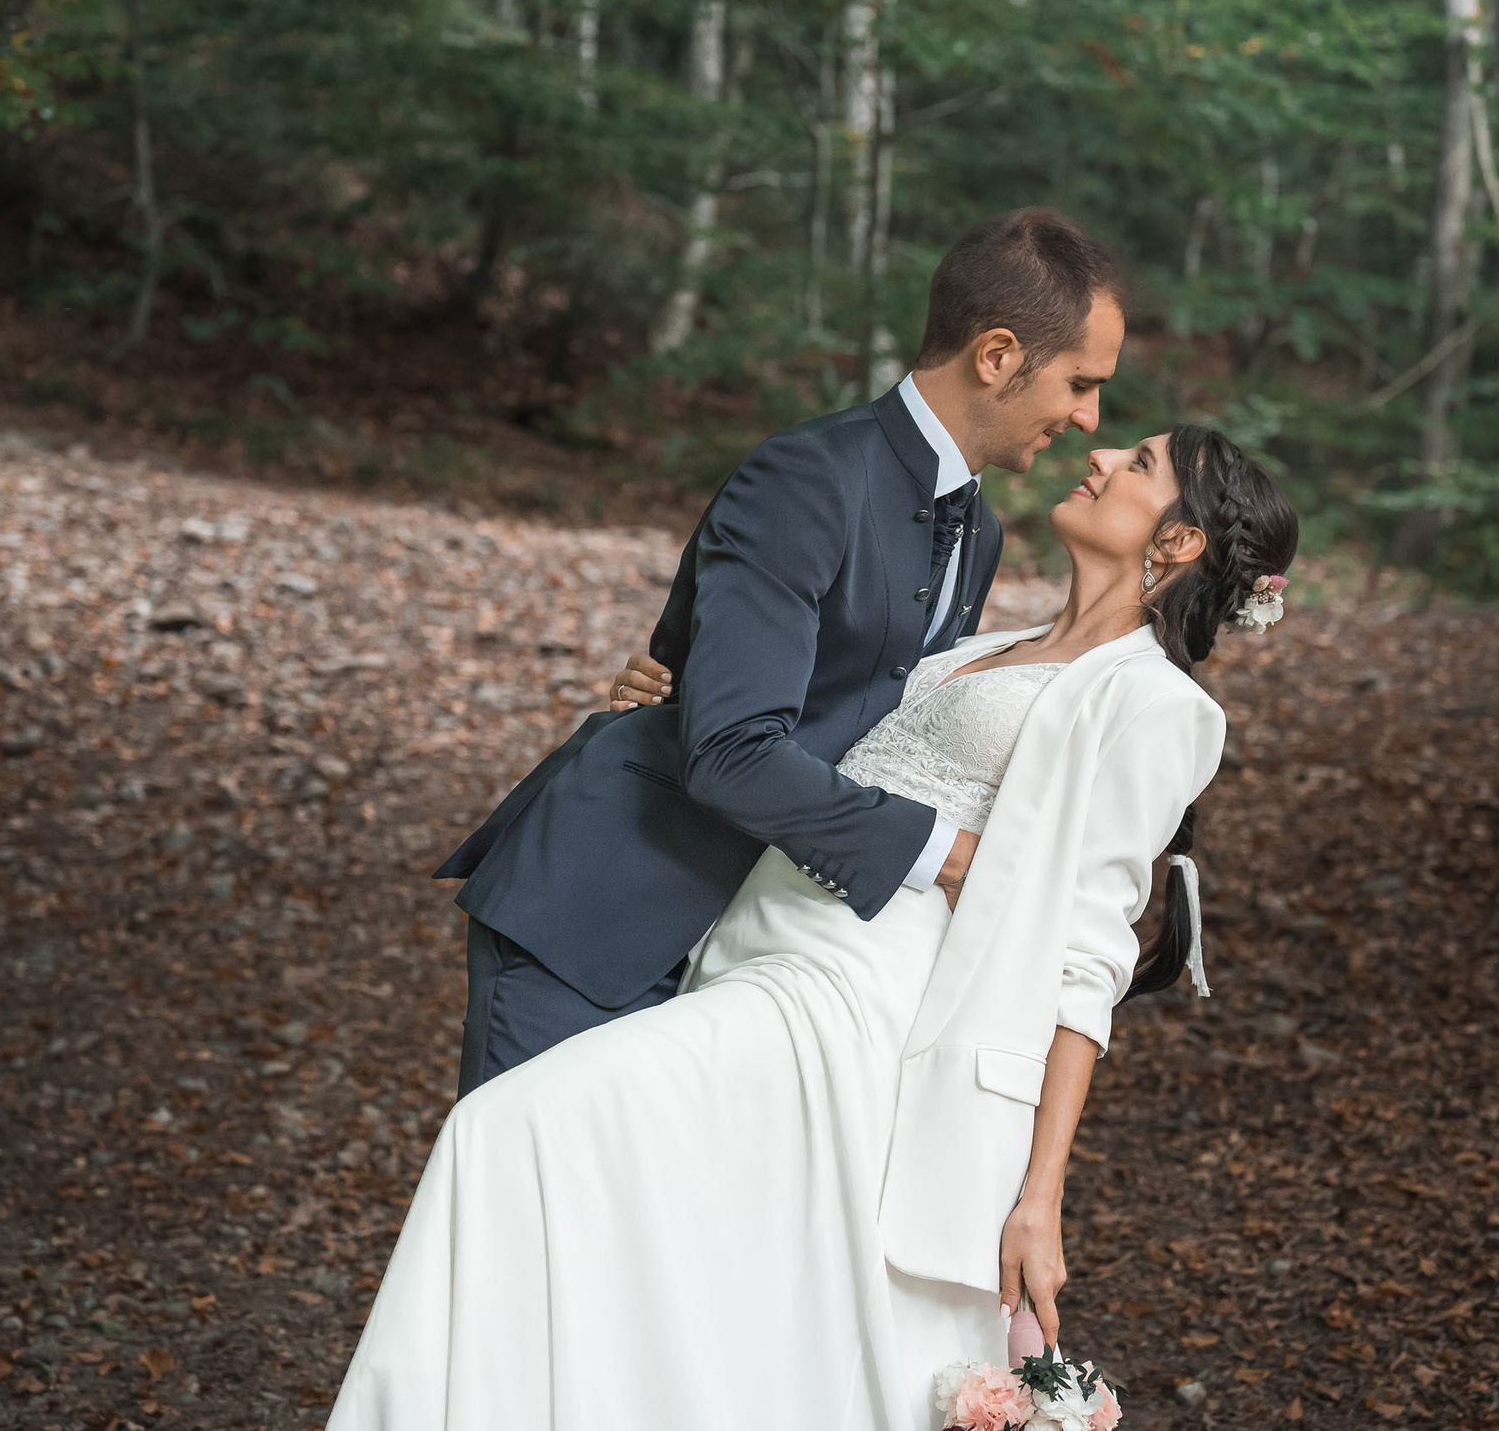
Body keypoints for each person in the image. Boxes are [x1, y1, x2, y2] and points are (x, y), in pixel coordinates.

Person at [326, 422, 1300, 1430]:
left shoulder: (1155, 706)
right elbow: (810, 731)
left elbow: (1084, 959)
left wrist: (1037, 1194)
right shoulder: (987, 642)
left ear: (1177, 543)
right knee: (703, 1292)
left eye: (1136, 465)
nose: (1097, 457)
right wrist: (676, 703)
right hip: (748, 948)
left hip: (852, 1004)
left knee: (510, 1128)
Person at [433, 208, 1128, 1096]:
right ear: (996, 356)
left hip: (752, 945)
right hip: (603, 905)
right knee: (523, 1215)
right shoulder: (807, 477)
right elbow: (730, 750)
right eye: (1080, 382)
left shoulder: (979, 532)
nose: (1087, 416)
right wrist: (953, 857)